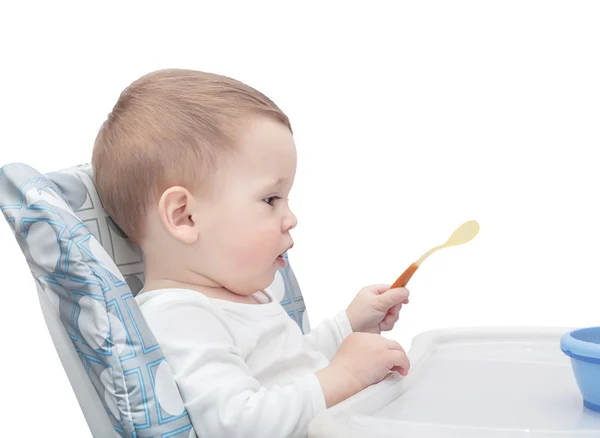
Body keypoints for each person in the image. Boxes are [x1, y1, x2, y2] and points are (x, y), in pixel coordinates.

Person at [92, 69, 410, 437]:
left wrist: (350, 325)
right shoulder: (179, 316)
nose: (290, 218)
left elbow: (292, 368)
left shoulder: (240, 297)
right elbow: (238, 424)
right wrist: (346, 376)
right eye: (270, 199)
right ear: (185, 216)